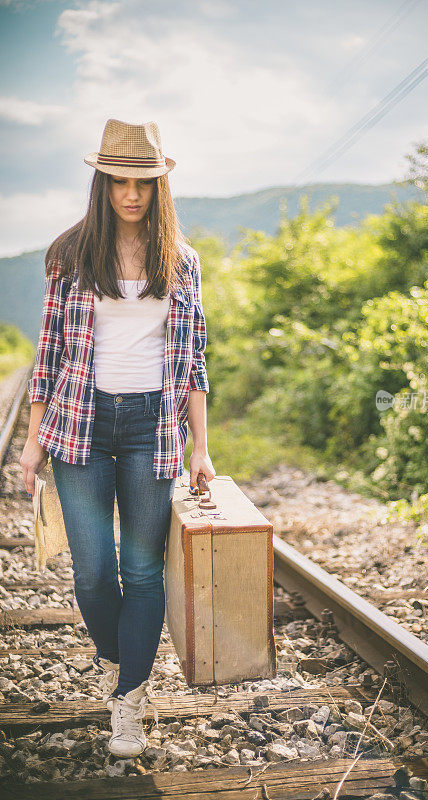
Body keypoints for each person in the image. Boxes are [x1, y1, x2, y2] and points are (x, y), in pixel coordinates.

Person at [19, 118, 216, 757]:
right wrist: (31, 439)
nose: (131, 195)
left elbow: (193, 361)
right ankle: (122, 655)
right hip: (79, 423)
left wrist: (202, 448)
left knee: (142, 568)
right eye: (119, 182)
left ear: (161, 187)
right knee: (96, 573)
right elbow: (46, 354)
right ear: (102, 184)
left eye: (144, 184)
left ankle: (128, 695)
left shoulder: (180, 261)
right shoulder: (68, 255)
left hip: (150, 429)